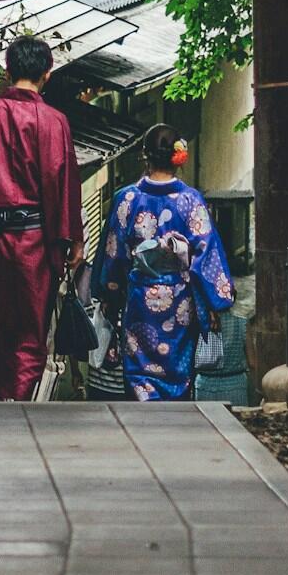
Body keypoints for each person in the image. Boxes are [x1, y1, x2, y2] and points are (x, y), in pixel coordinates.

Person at [0, 34, 83, 401]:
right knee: (31, 331)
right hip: (36, 242)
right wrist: (73, 238)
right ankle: (21, 403)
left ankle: (4, 403)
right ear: (47, 74)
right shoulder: (54, 122)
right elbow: (63, 181)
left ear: (7, 71)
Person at [94, 124, 236, 402]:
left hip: (139, 303)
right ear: (177, 156)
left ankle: (142, 413)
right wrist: (217, 300)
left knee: (139, 372)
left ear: (144, 155)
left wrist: (110, 292)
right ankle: (176, 420)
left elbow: (114, 254)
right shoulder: (190, 201)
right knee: (178, 372)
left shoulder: (127, 199)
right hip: (179, 303)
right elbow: (206, 253)